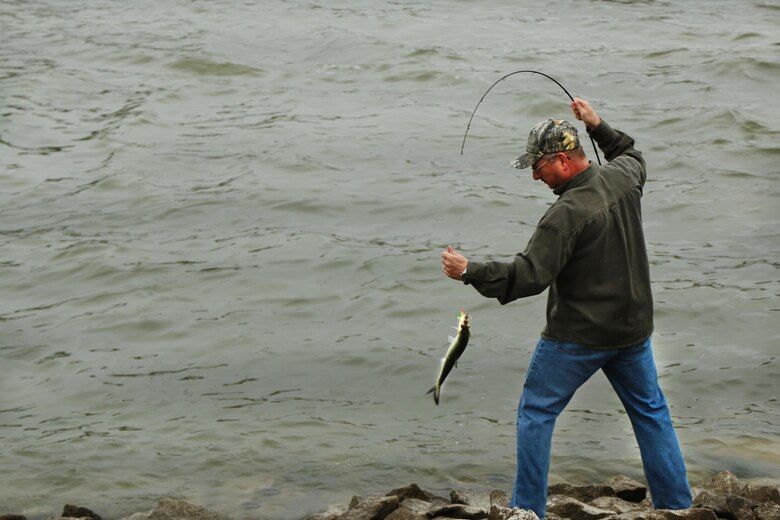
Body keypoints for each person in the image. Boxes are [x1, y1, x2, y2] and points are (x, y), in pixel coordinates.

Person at [440, 99, 693, 517]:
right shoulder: (625, 178)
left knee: (536, 412)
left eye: (538, 167)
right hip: (633, 331)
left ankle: (528, 511)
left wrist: (470, 271)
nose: (536, 177)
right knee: (651, 413)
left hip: (578, 338)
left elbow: (529, 275)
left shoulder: (565, 214)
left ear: (561, 160)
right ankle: (678, 506)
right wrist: (596, 124)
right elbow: (631, 153)